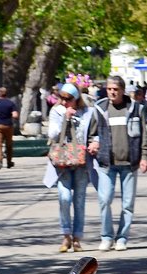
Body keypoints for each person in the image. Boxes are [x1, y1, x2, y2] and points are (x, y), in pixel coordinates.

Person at [45, 82, 103, 253]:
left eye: (68, 99)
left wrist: (95, 142)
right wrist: (65, 119)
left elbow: (95, 133)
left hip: (82, 162)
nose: (64, 102)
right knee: (64, 197)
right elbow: (52, 134)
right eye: (61, 98)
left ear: (76, 98)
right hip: (62, 161)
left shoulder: (88, 112)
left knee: (79, 200)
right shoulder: (56, 111)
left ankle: (77, 238)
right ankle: (66, 235)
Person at [94, 74, 147, 251]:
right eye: (109, 89)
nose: (112, 92)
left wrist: (145, 157)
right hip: (106, 162)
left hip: (129, 162)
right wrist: (93, 143)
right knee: (105, 199)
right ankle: (106, 236)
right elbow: (92, 133)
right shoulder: (100, 108)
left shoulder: (135, 109)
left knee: (127, 204)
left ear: (123, 91)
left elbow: (143, 135)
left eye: (115, 89)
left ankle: (122, 238)